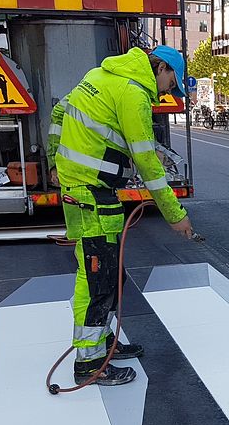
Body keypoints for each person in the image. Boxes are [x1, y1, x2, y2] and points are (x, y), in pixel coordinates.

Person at [46, 45, 194, 386]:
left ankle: (103, 342)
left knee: (112, 276)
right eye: (173, 83)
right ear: (162, 70)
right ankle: (90, 363)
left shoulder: (101, 76)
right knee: (98, 279)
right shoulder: (134, 93)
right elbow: (147, 165)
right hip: (89, 194)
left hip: (89, 191)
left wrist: (55, 159)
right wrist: (175, 214)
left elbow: (58, 114)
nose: (168, 91)